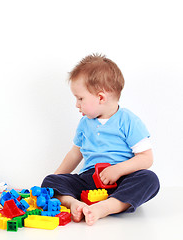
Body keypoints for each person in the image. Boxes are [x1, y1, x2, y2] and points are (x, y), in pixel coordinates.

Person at [41, 54, 159, 225]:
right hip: (89, 179)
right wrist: (55, 180)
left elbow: (146, 158)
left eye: (80, 98)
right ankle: (75, 204)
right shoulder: (84, 123)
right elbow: (75, 154)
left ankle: (106, 206)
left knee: (149, 179)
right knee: (50, 180)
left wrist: (118, 170)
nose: (77, 104)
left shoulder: (128, 120)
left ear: (101, 97)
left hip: (121, 179)